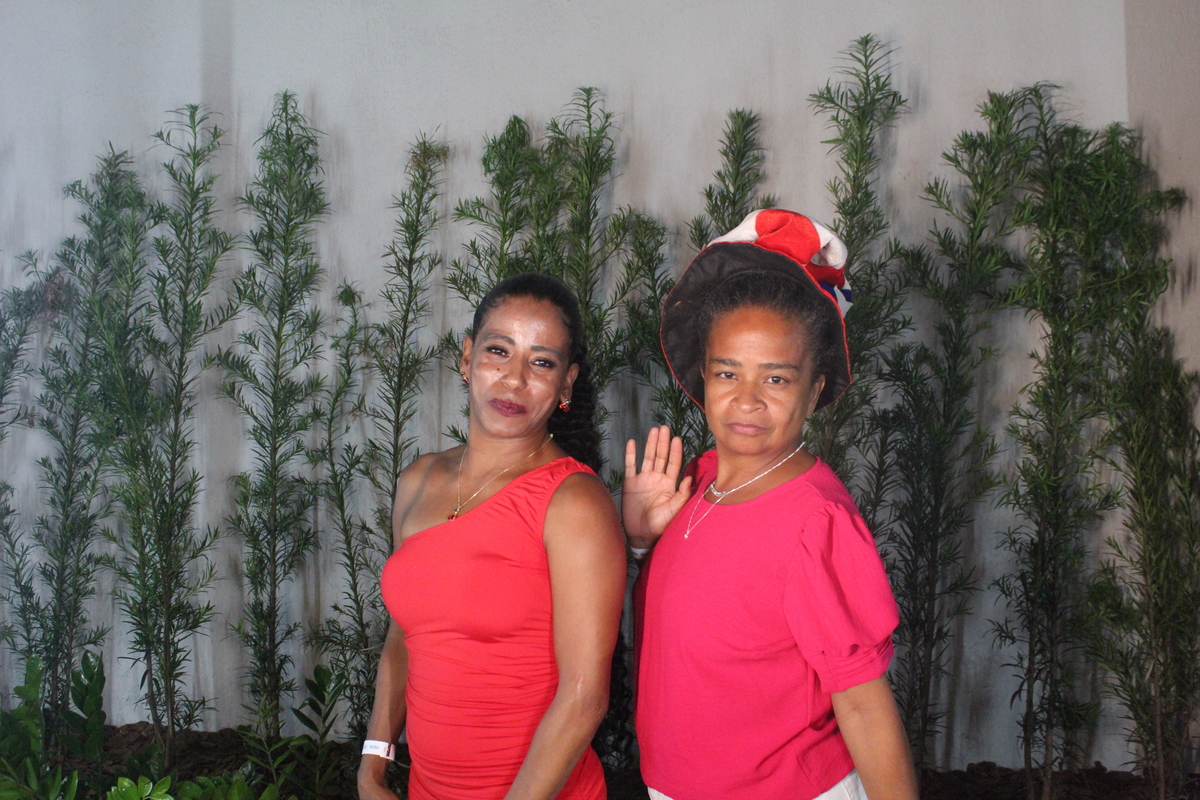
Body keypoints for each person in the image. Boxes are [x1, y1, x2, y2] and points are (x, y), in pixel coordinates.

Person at [623, 209, 919, 800]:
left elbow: (863, 707)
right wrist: (639, 541)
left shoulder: (816, 522)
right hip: (677, 784)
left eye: (777, 379)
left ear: (814, 391)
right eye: (727, 373)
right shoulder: (696, 480)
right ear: (703, 378)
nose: (747, 400)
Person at [358, 273, 626, 800]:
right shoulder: (418, 480)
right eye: (499, 351)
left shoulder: (574, 503)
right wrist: (372, 767)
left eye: (541, 363)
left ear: (566, 384)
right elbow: (404, 639)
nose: (514, 379)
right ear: (467, 358)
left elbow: (583, 698)